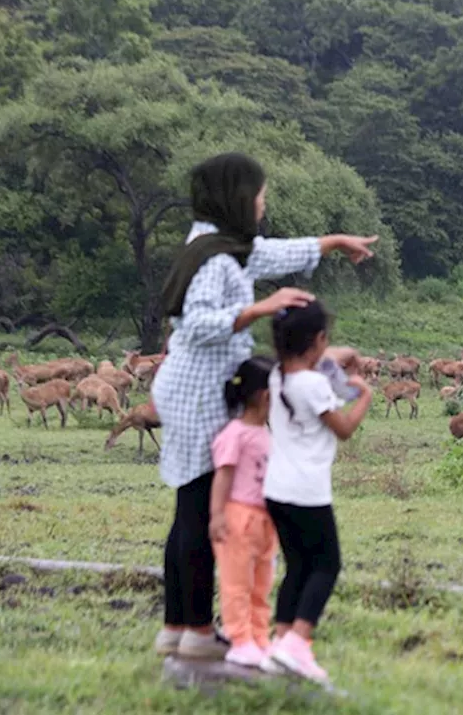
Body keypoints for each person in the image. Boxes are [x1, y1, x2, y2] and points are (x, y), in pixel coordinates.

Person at [151, 152, 376, 659]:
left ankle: (178, 627)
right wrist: (260, 308)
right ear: (236, 197)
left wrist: (334, 243)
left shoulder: (222, 245)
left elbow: (271, 253)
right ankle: (197, 633)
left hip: (202, 386)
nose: (262, 202)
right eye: (257, 194)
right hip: (196, 390)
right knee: (198, 510)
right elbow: (197, 324)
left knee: (190, 507)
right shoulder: (213, 258)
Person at [262, 300, 372, 683]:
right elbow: (342, 429)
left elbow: (328, 356)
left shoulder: (276, 376)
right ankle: (299, 642)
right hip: (307, 490)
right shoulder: (312, 385)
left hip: (275, 489)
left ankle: (280, 641)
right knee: (326, 565)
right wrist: (365, 397)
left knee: (297, 566)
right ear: (318, 340)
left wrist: (342, 353)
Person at [209, 356, 277, 668]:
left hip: (266, 522)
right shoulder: (235, 434)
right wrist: (217, 515)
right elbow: (223, 476)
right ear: (266, 396)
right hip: (239, 518)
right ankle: (238, 638)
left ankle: (259, 636)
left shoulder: (267, 434)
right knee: (237, 582)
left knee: (262, 582)